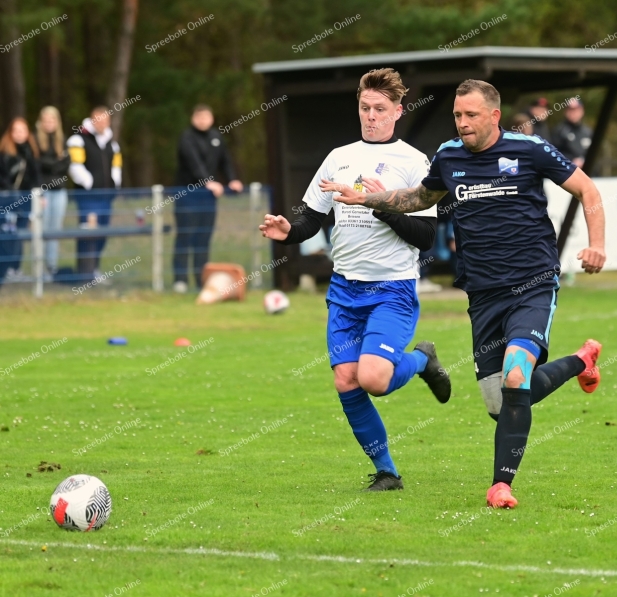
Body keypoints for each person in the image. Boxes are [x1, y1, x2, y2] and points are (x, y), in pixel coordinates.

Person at [322, 79, 605, 509]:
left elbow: (588, 189)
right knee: (501, 403)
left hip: (531, 283)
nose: (462, 122)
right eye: (457, 115)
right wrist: (366, 200)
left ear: (494, 115)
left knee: (515, 375)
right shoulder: (449, 156)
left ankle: (500, 486)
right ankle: (581, 360)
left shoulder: (529, 149)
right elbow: (418, 198)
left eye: (471, 115)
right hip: (482, 292)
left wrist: (597, 244)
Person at [259, 68, 451, 492]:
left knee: (374, 379)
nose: (371, 116)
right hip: (345, 290)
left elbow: (425, 237)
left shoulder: (415, 163)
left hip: (391, 289)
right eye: (365, 108)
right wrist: (288, 232)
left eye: (380, 109)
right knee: (346, 379)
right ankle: (387, 473)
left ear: (398, 111)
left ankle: (422, 360)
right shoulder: (339, 157)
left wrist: (379, 204)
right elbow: (312, 220)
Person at [173, 104, 243, 293]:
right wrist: (208, 182)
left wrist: (232, 179)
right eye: (199, 117)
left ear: (211, 119)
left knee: (203, 238)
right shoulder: (187, 138)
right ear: (193, 118)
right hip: (187, 195)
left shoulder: (216, 137)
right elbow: (194, 163)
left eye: (206, 117)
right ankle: (180, 280)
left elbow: (225, 161)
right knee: (185, 236)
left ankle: (201, 280)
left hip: (208, 197)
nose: (203, 121)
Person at [67, 106, 122, 282]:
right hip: (87, 198)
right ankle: (84, 274)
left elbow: (116, 167)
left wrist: (115, 185)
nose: (102, 123)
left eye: (105, 120)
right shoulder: (78, 139)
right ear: (92, 120)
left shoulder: (112, 144)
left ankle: (95, 269)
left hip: (106, 197)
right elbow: (74, 166)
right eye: (98, 120)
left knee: (102, 234)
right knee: (88, 234)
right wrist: (89, 183)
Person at [0, 118, 41, 283]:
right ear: (10, 133)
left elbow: (35, 176)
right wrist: (11, 193)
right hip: (6, 201)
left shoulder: (31, 152)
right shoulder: (4, 152)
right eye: (16, 130)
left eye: (22, 130)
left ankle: (15, 268)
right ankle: (5, 269)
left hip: (25, 201)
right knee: (7, 234)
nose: (19, 134)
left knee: (20, 235)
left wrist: (38, 195)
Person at [36, 106, 70, 278]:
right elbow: (37, 165)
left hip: (59, 191)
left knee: (55, 230)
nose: (49, 123)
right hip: (43, 192)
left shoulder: (62, 141)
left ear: (57, 122)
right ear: (41, 122)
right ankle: (39, 268)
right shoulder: (35, 141)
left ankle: (52, 267)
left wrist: (52, 164)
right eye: (46, 120)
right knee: (41, 230)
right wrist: (55, 162)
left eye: (52, 120)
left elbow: (66, 164)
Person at [552, 97, 592, 169]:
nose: (573, 113)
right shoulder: (559, 131)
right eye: (570, 110)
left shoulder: (588, 132)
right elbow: (553, 153)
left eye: (576, 110)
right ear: (566, 112)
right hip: (566, 170)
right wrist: (571, 160)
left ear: (582, 111)